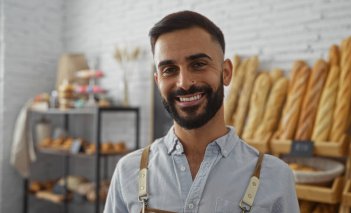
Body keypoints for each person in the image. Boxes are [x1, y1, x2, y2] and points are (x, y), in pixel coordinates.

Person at [104, 10, 299, 213]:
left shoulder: (275, 178)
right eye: (169, 70)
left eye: (198, 64)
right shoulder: (128, 172)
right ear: (158, 81)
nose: (184, 83)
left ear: (226, 73)